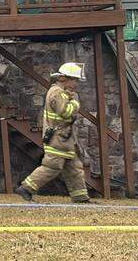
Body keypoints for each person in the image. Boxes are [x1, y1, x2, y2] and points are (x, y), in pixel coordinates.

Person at [16, 62, 89, 203]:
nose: (76, 84)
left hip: (65, 139)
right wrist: (75, 103)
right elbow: (65, 112)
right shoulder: (56, 92)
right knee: (52, 167)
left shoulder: (63, 93)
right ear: (64, 78)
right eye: (74, 80)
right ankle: (26, 188)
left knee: (74, 168)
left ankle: (81, 197)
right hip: (58, 138)